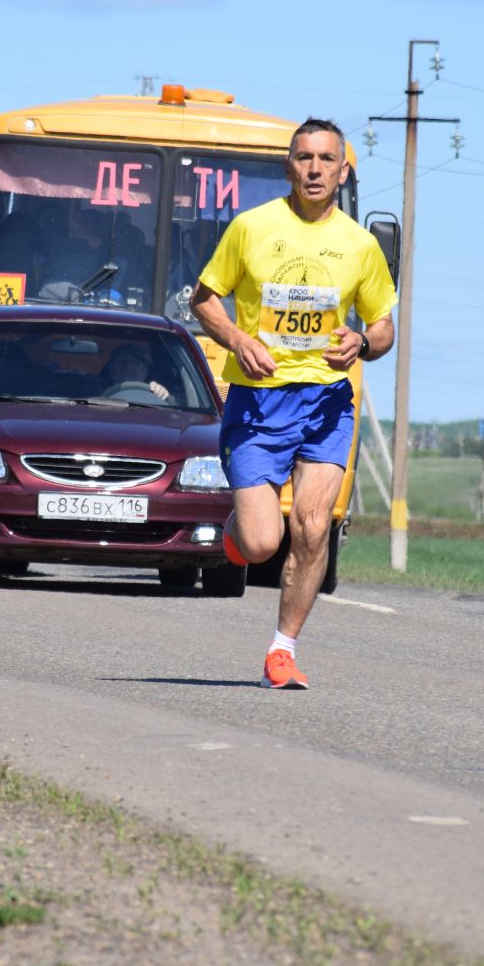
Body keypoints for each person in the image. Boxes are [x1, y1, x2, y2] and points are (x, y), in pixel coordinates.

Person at [191, 118, 397, 689]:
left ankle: (282, 651)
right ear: (289, 166)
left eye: (326, 159)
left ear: (343, 172)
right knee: (262, 543)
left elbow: (384, 326)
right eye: (304, 158)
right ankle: (236, 529)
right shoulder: (252, 227)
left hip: (327, 402)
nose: (315, 169)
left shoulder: (360, 245)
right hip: (259, 402)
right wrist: (238, 340)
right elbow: (203, 299)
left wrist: (362, 342)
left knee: (311, 526)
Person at [102, 343, 169, 402]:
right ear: (111, 370)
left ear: (145, 370)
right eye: (121, 361)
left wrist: (161, 393)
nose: (127, 365)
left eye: (134, 362)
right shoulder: (97, 393)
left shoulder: (155, 392)